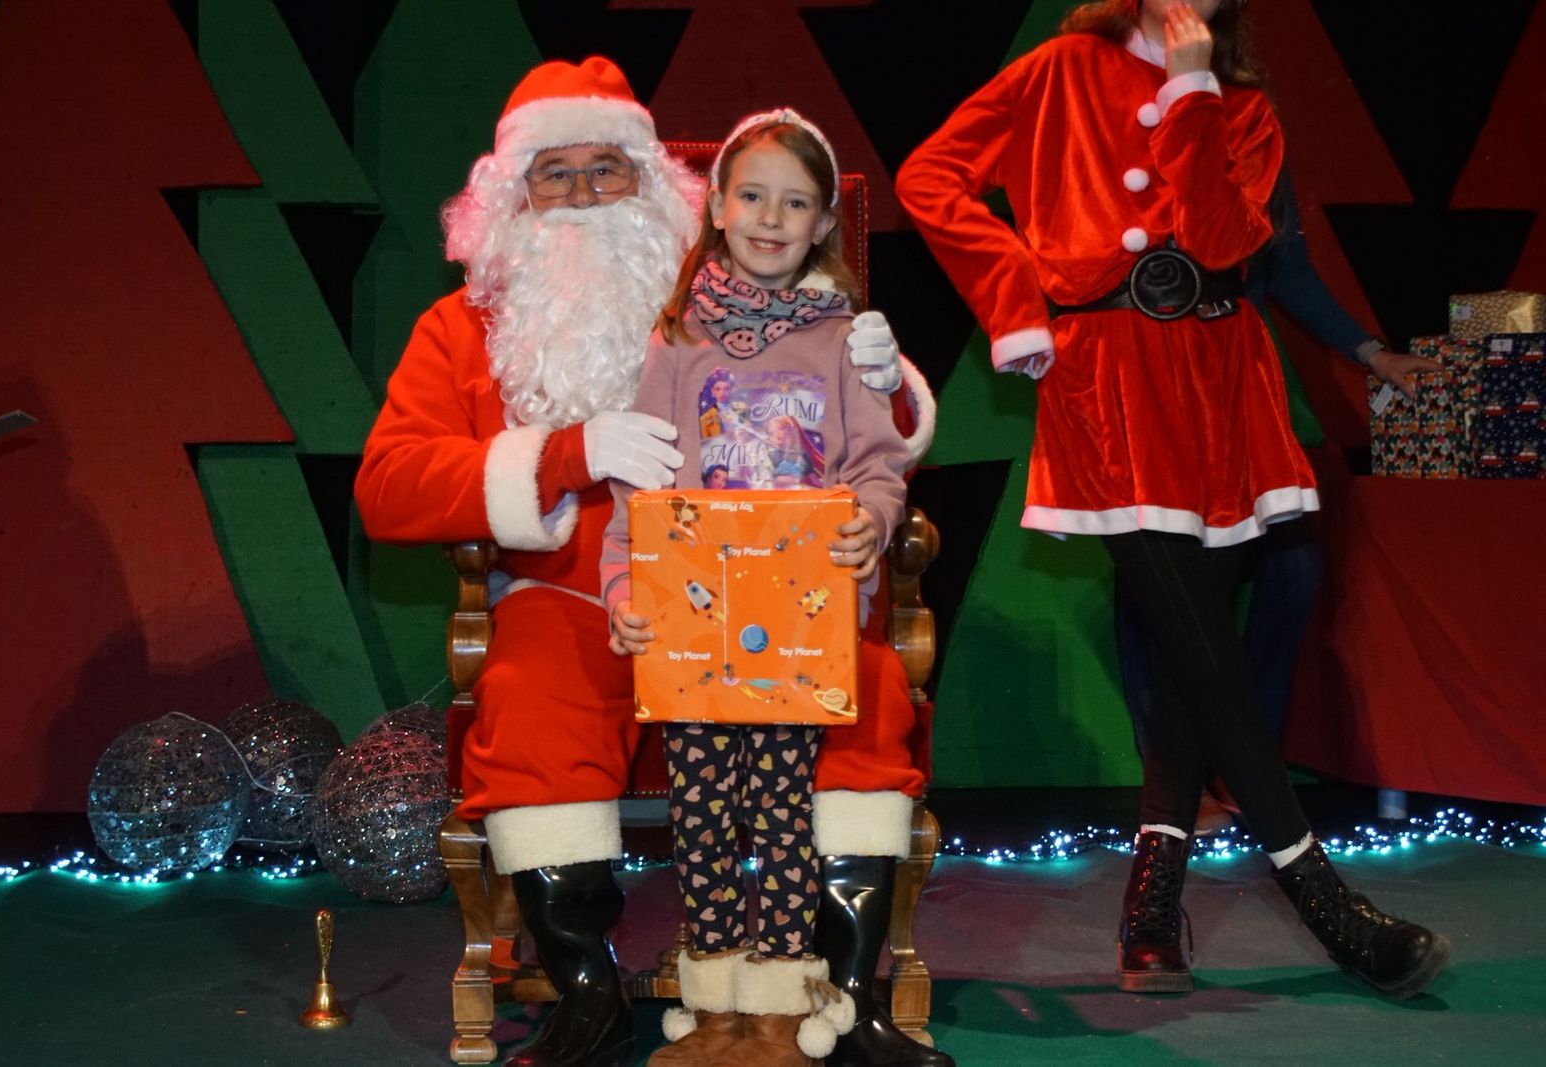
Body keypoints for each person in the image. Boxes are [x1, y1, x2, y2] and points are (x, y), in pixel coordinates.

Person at [355, 58, 945, 1067]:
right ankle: (585, 990)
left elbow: (858, 425)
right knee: (533, 690)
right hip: (581, 600)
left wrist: (890, 387)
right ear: (511, 197)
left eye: (608, 171)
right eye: (556, 174)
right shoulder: (460, 330)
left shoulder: (730, 297)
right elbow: (388, 484)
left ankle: (846, 997)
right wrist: (567, 452)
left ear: (656, 190)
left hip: (757, 592)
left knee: (872, 685)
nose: (584, 197)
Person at [896, 0, 1449, 999]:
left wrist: (1193, 93)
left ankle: (1149, 914)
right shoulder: (1059, 65)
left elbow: (1226, 237)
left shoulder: (1241, 104)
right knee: (1196, 640)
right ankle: (1320, 893)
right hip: (1105, 380)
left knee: (1200, 655)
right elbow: (926, 176)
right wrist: (1015, 301)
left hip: (1225, 384)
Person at [601, 109, 912, 1067]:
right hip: (692, 625)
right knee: (698, 810)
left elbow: (879, 465)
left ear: (823, 224)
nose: (771, 217)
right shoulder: (676, 336)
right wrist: (622, 587)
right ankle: (714, 997)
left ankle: (776, 1003)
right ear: (719, 208)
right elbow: (636, 491)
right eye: (752, 195)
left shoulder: (841, 340)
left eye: (797, 202)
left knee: (779, 809)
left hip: (799, 617)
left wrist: (872, 519)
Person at [1114, 163, 1446, 833]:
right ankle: (1172, 779)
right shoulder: (1132, 129)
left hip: (1241, 393)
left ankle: (1244, 757)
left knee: (1293, 567)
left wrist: (1373, 353)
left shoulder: (1257, 141)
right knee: (1153, 578)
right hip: (1150, 385)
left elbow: (1287, 268)